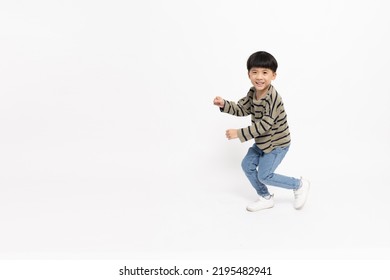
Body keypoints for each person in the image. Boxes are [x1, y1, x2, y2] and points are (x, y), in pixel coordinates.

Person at [213, 51, 310, 212]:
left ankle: (299, 185)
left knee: (264, 175)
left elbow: (265, 124)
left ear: (274, 76)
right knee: (247, 165)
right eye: (255, 72)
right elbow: (241, 108)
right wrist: (224, 104)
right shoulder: (253, 93)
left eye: (265, 73)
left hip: (277, 144)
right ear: (248, 74)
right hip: (262, 141)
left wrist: (239, 133)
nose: (259, 77)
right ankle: (265, 197)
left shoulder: (273, 98)